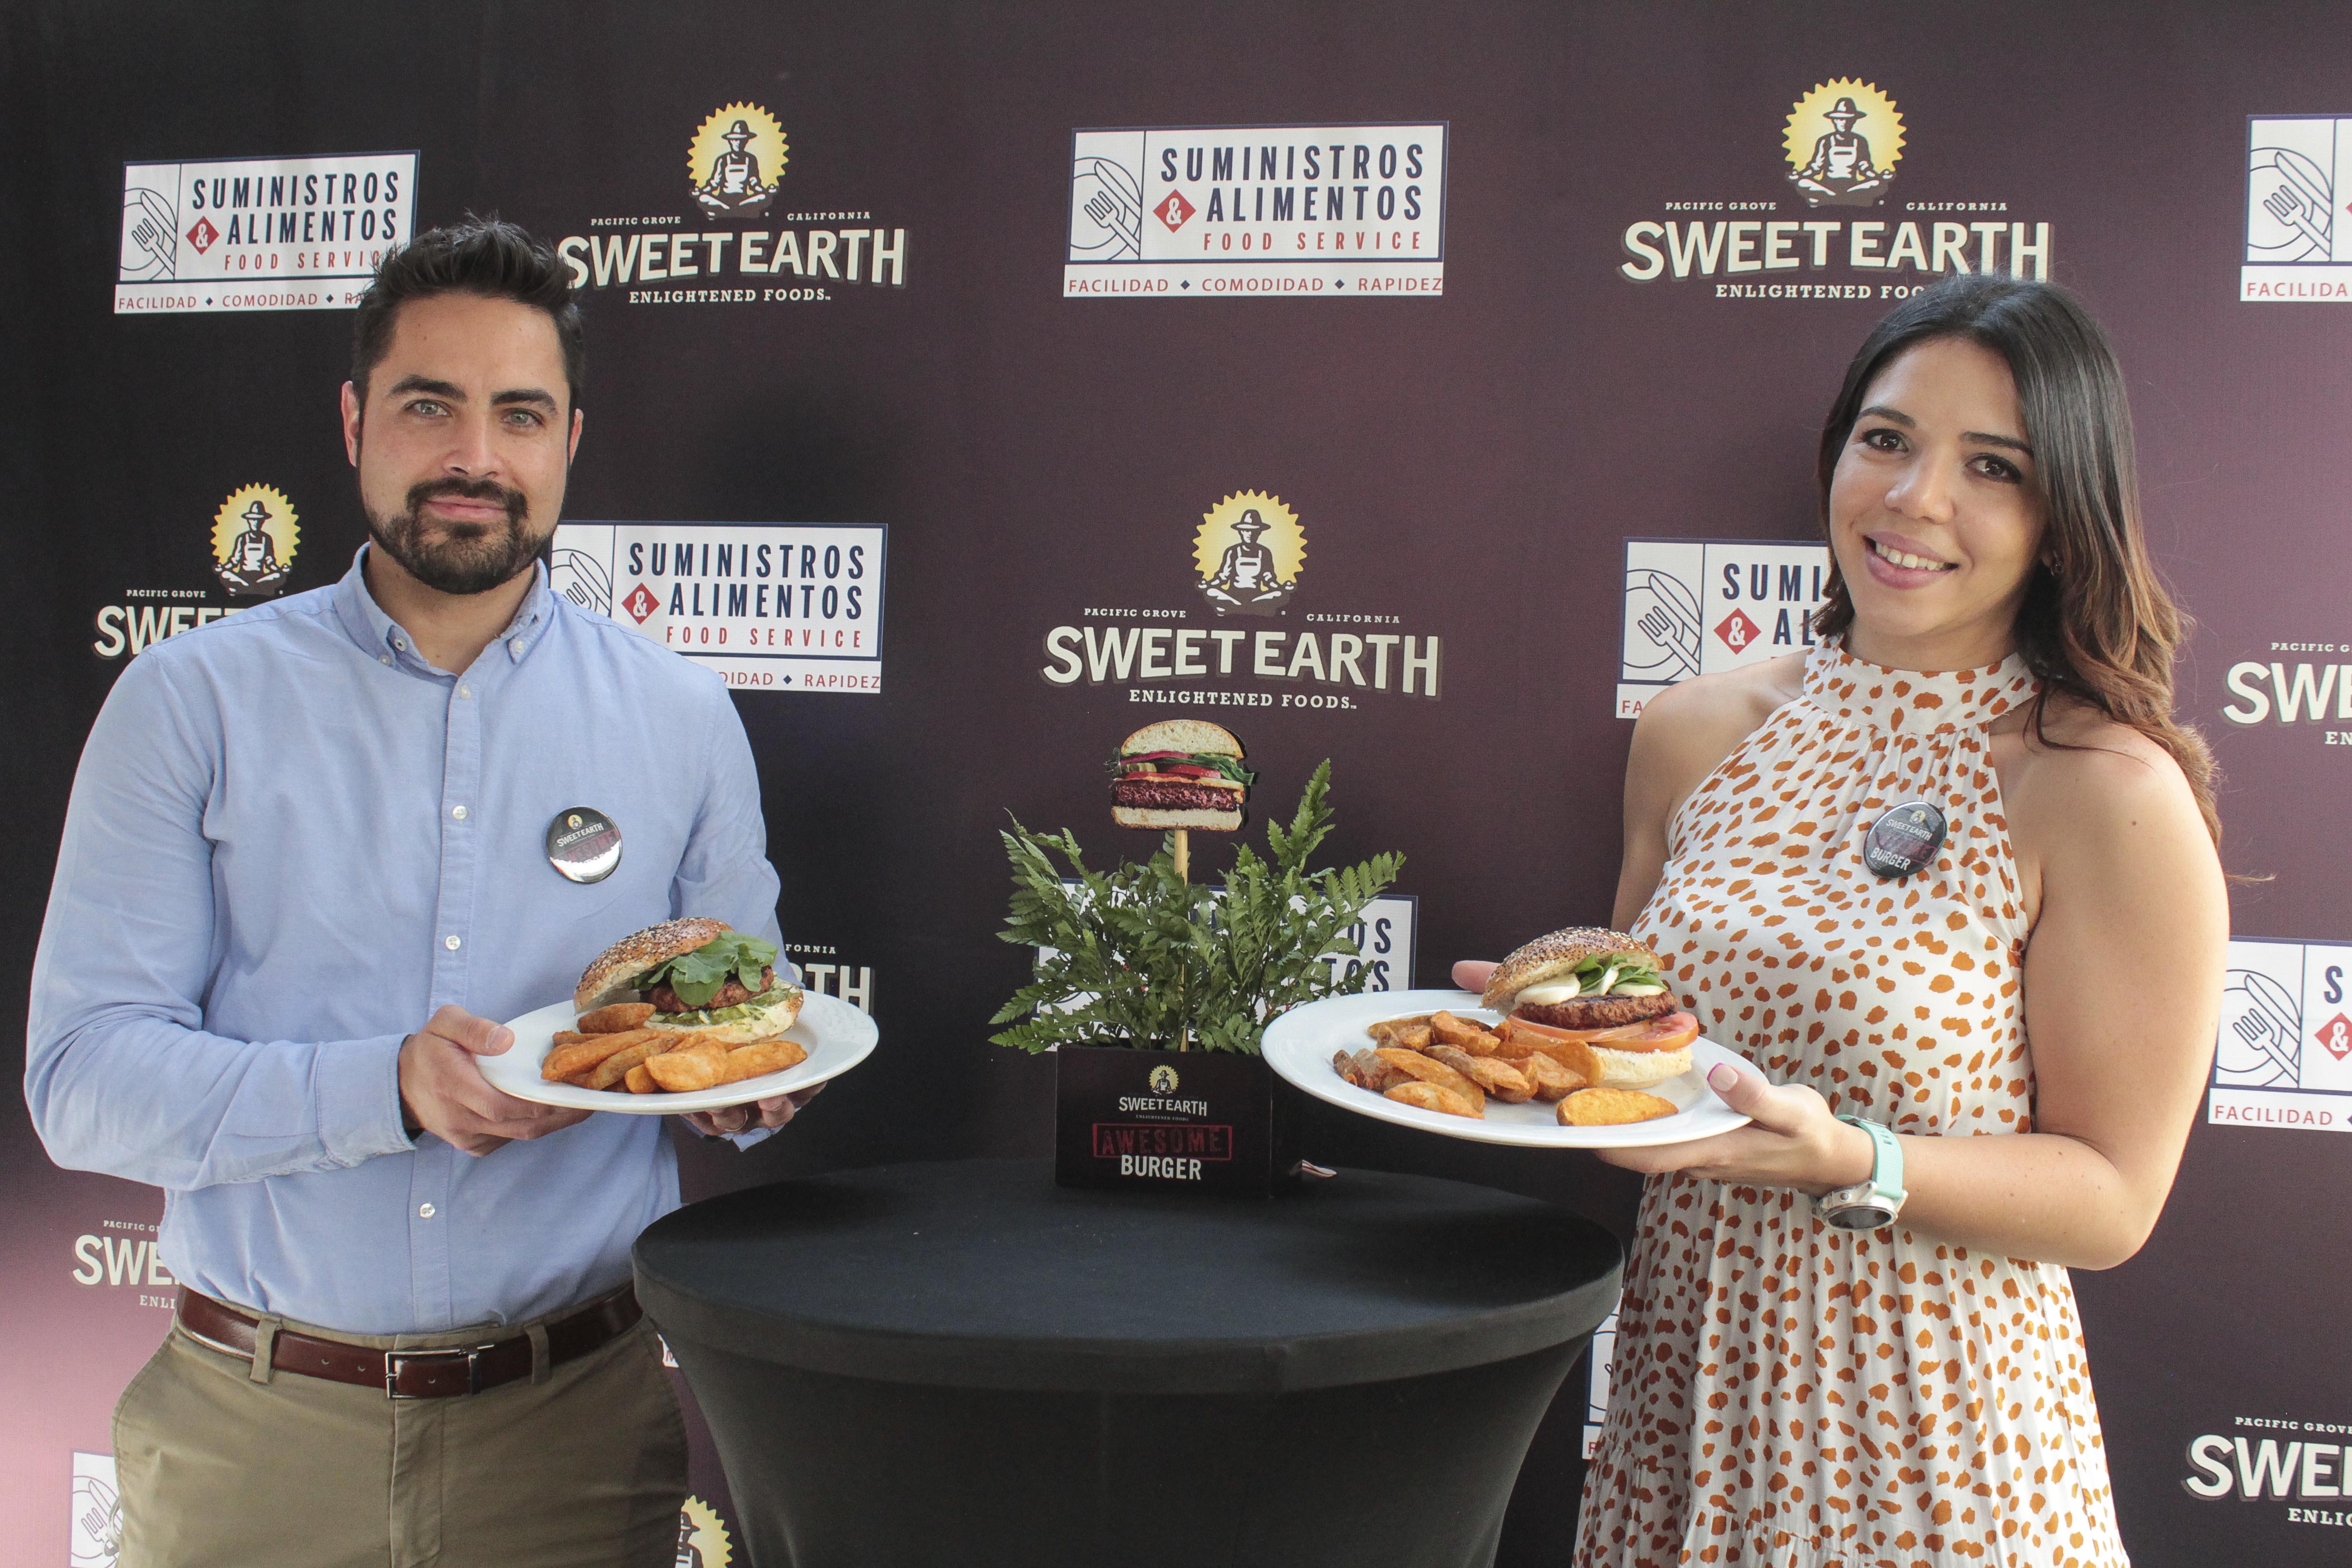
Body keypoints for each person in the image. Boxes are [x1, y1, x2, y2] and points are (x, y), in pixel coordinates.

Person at [27, 218, 814, 1568]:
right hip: (252, 1441)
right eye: (428, 407)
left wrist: (750, 1089)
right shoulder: (188, 703)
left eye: (520, 414)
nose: (474, 459)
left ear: (572, 438)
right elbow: (84, 1084)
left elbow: (744, 1010)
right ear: (353, 421)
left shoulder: (681, 716)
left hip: (568, 1434)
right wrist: (387, 1090)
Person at [1460, 274, 2225, 1567]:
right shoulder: (1695, 732)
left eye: (1994, 467)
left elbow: (2113, 1199)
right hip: (1684, 1419)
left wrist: (1854, 1160)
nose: (1917, 499)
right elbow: (1650, 1070)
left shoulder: (2101, 788)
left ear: (2062, 515)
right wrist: (1538, 1055)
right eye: (1888, 440)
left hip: (1938, 1454)